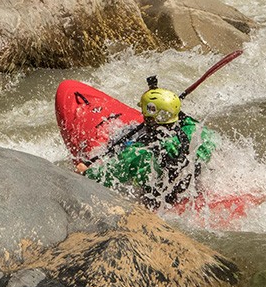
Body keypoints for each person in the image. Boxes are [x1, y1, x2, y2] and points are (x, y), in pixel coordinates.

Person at [76, 76, 216, 209]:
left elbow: (104, 177)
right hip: (191, 192)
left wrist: (86, 172)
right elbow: (205, 137)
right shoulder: (197, 133)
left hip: (159, 203)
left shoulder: (139, 153)